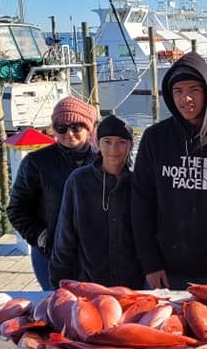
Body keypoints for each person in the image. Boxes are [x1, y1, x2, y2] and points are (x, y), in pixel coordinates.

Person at [131, 52, 207, 290]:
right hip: (166, 270)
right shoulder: (155, 138)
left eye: (194, 90)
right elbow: (141, 204)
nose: (186, 98)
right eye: (178, 91)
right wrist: (150, 263)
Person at [7, 95, 97, 290]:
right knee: (57, 306)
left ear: (88, 128)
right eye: (61, 128)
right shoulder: (35, 162)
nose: (69, 133)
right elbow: (17, 209)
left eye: (76, 127)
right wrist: (41, 237)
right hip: (51, 253)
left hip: (95, 254)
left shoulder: (104, 159)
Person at [48, 114, 143, 289]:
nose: (114, 149)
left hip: (132, 285)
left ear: (131, 145)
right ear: (97, 143)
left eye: (121, 142)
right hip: (89, 284)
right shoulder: (78, 181)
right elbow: (65, 236)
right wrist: (58, 282)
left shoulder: (140, 183)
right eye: (107, 142)